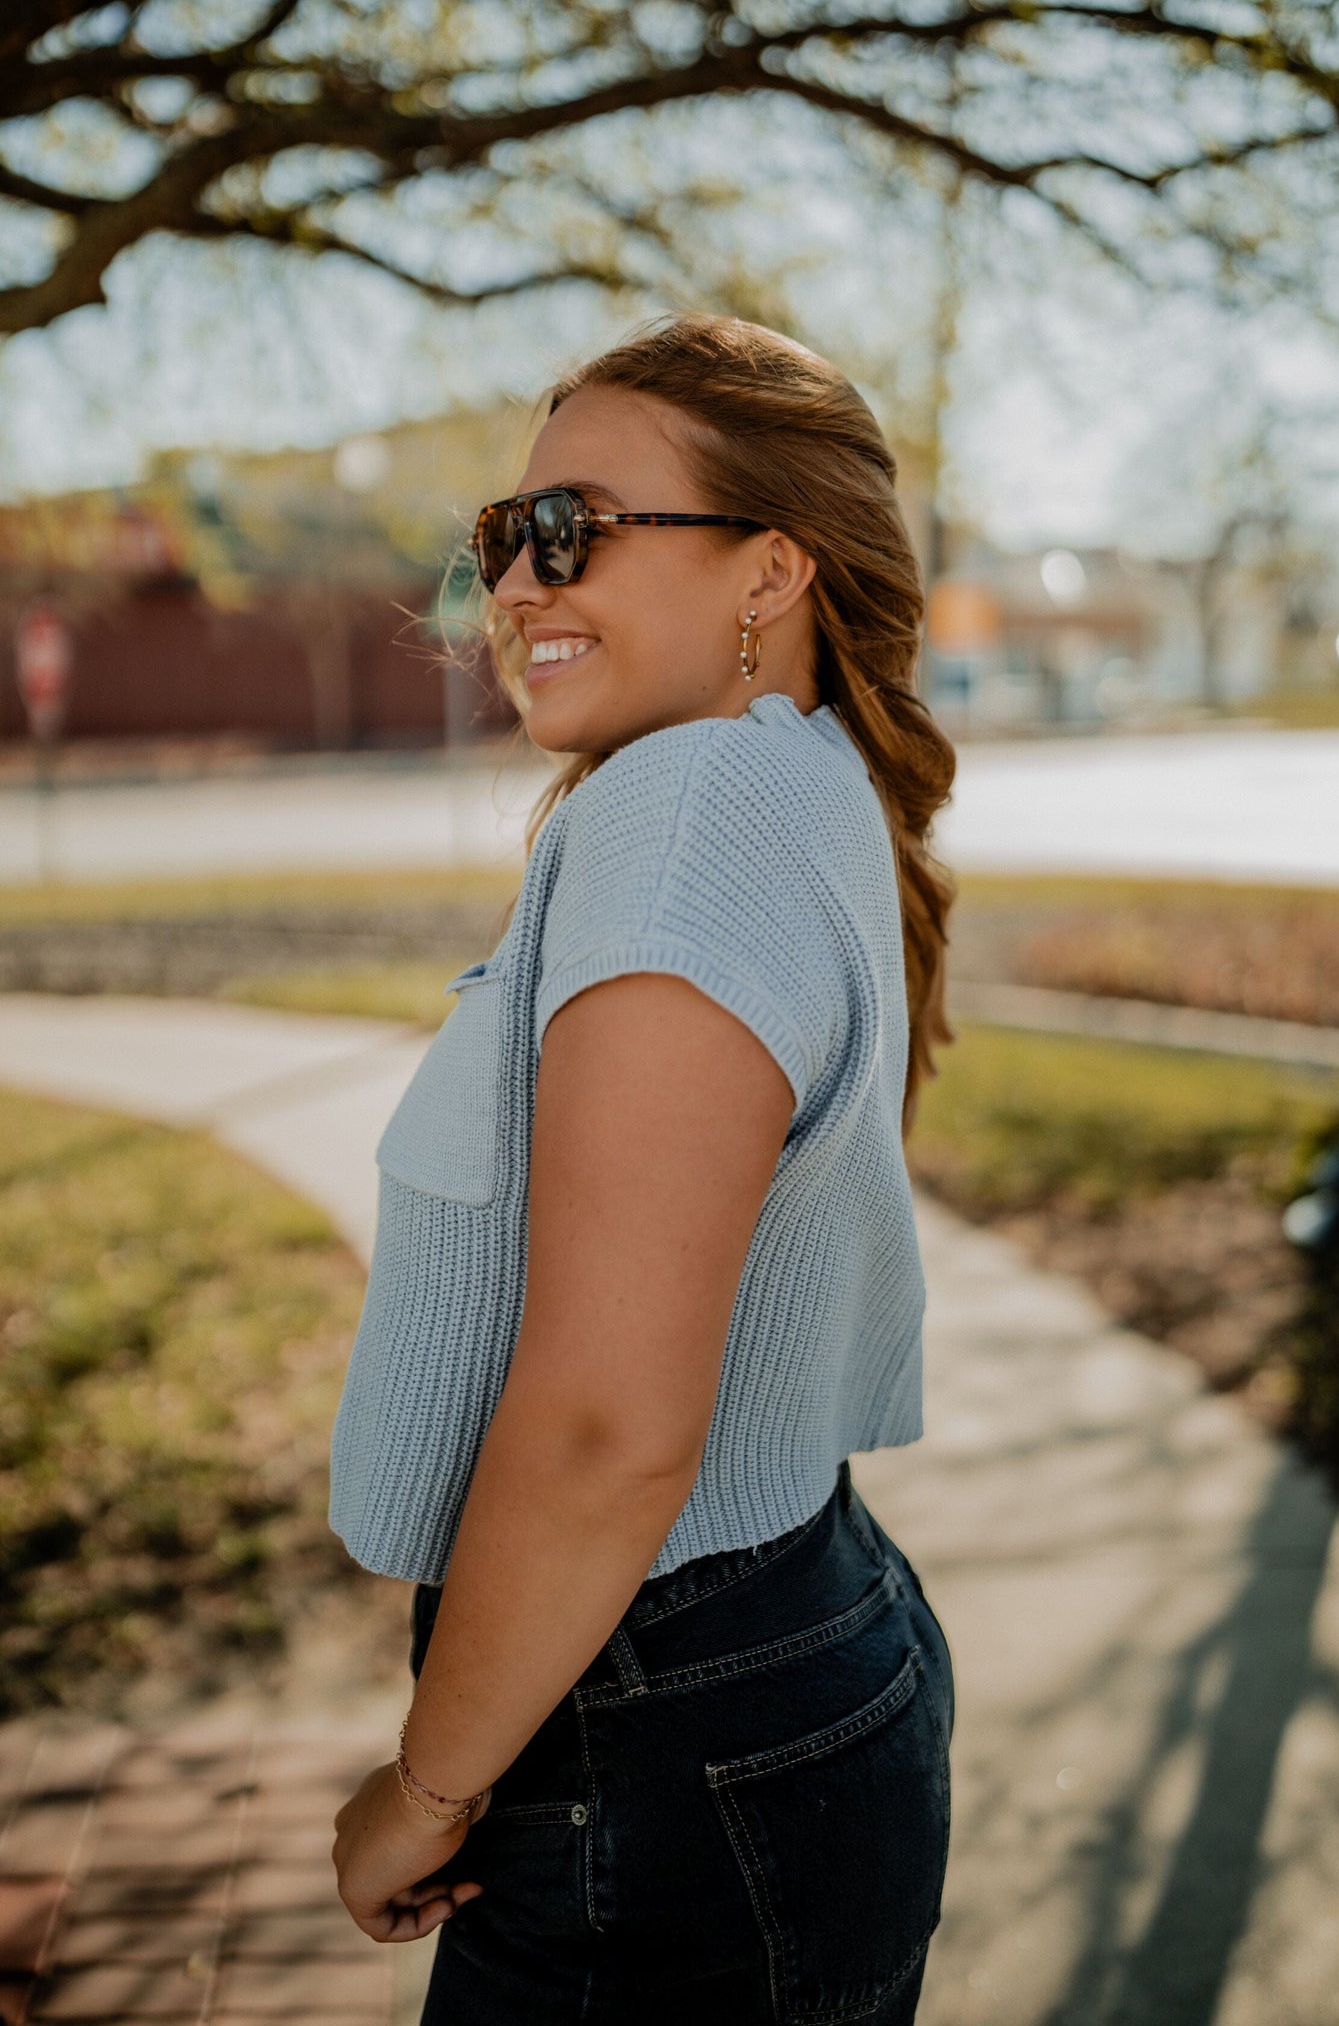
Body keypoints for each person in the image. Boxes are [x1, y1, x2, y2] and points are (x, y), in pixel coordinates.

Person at [328, 312, 959, 2024]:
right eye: (499, 541)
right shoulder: (796, 783)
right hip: (770, 1657)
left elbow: (611, 1427)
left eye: (570, 528)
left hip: (657, 1727)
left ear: (773, 566)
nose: (514, 588)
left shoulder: (687, 815)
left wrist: (426, 1791)